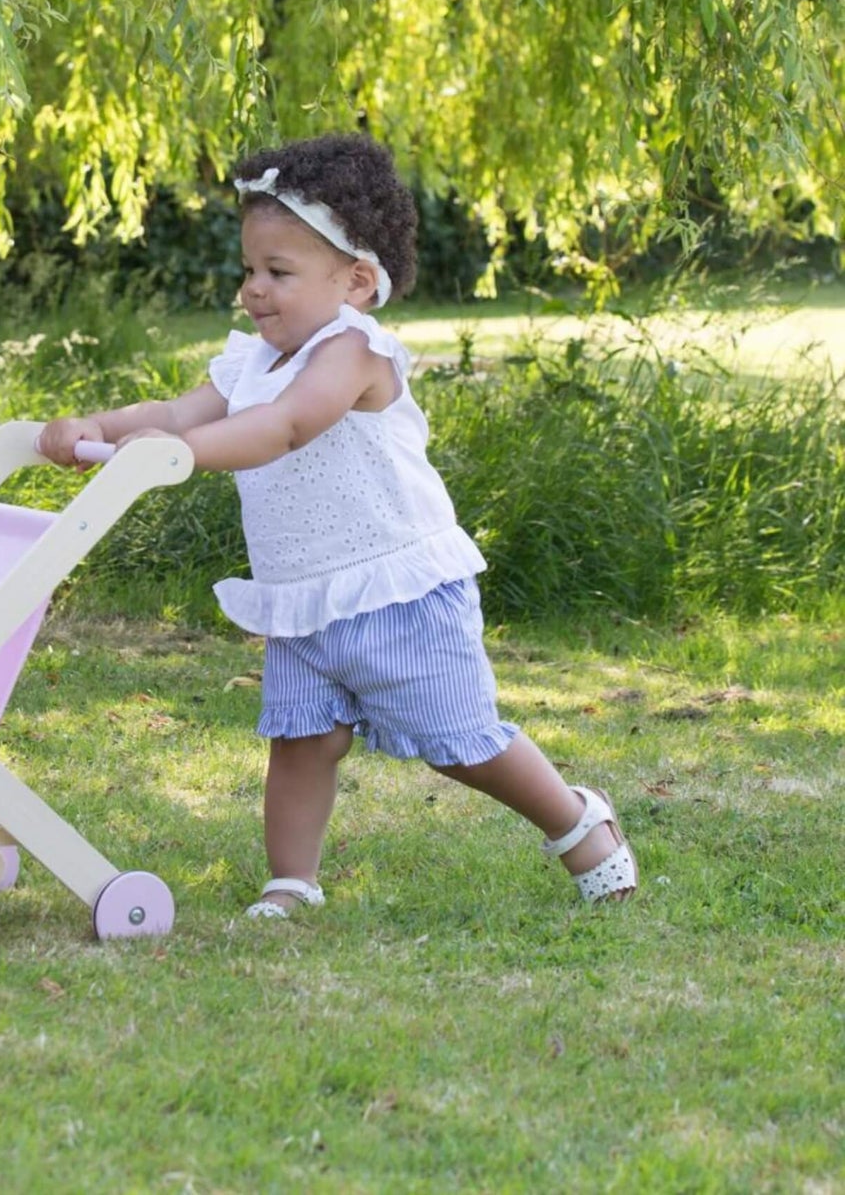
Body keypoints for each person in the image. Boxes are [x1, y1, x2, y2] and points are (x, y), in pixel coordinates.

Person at [38, 131, 637, 918]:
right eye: (249, 269)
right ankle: (291, 880)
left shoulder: (353, 354)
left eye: (277, 272)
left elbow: (285, 427)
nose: (254, 289)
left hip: (397, 587)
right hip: (305, 593)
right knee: (302, 740)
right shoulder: (254, 358)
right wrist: (101, 428)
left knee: (462, 742)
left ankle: (574, 819)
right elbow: (177, 410)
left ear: (355, 280)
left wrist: (176, 452)